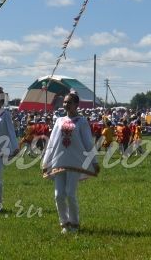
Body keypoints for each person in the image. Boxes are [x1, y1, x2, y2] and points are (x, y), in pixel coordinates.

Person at [42, 92, 98, 233]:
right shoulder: (59, 121)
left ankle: (74, 223)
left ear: (76, 105)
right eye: (65, 102)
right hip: (59, 161)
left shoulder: (82, 122)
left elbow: (88, 143)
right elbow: (52, 143)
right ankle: (64, 222)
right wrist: (46, 162)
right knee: (58, 195)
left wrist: (94, 161)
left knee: (70, 193)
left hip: (74, 161)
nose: (66, 104)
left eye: (69, 102)